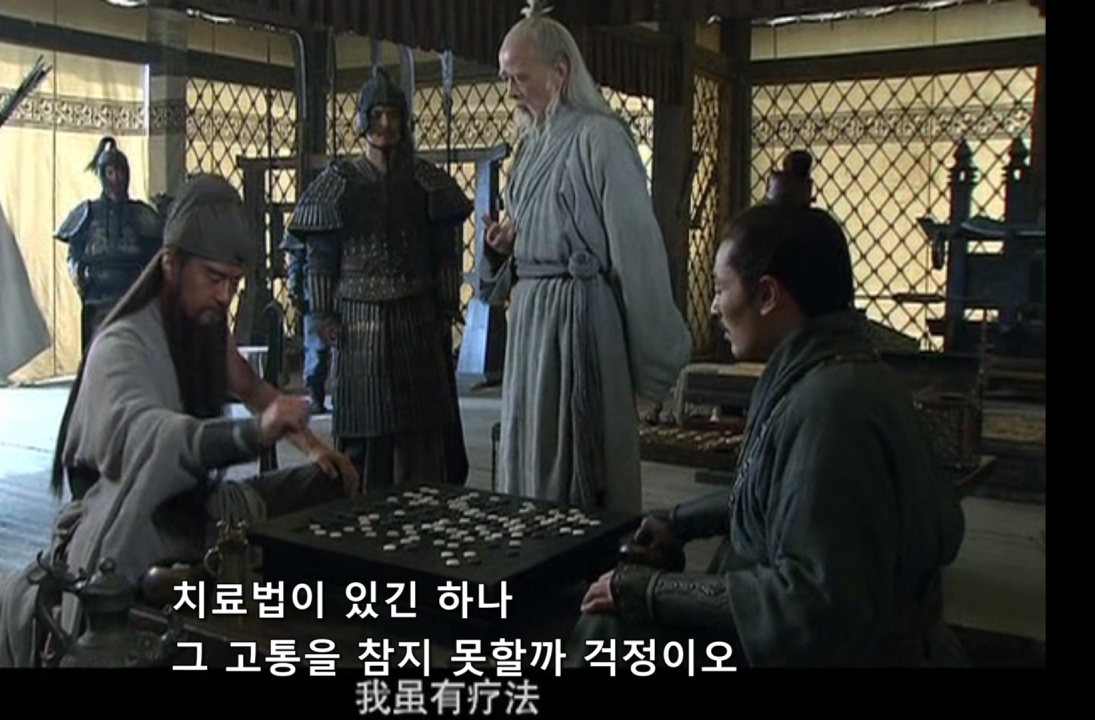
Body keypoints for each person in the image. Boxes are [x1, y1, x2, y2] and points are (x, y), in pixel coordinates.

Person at [566, 203, 968, 667]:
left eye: (721, 289)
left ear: (767, 295)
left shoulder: (832, 410)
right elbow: (774, 496)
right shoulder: (831, 374)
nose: (714, 307)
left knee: (608, 632)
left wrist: (652, 591)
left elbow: (814, 605)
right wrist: (679, 520)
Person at [0, 174, 358, 668]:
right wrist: (251, 433)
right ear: (171, 264)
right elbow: (155, 439)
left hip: (198, 509)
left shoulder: (204, 324)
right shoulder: (122, 345)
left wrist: (316, 449)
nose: (225, 296)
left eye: (234, 283)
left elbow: (254, 390)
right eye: (214, 278)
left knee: (330, 484)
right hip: (128, 523)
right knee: (164, 586)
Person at [477, 3, 692, 513]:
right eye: (505, 79)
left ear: (559, 71)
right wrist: (504, 248)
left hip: (579, 324)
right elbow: (530, 236)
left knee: (578, 460)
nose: (511, 91)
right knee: (531, 453)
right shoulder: (531, 146)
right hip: (532, 323)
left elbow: (635, 250)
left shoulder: (601, 139)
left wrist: (657, 361)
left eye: (520, 77)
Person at [286, 67, 474, 491]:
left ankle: (424, 504)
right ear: (362, 119)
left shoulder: (426, 183)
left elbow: (445, 250)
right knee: (364, 429)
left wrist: (446, 306)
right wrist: (324, 315)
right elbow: (320, 258)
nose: (386, 124)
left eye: (393, 114)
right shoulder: (336, 185)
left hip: (417, 316)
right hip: (357, 321)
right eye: (377, 115)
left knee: (421, 429)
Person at [54, 136, 164, 352]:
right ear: (103, 175)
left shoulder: (141, 215)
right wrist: (82, 281)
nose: (116, 179)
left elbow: (155, 256)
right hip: (97, 294)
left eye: (120, 172)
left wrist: (146, 289)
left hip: (132, 292)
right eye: (111, 173)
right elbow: (75, 255)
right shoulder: (87, 213)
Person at [281, 232, 332, 414]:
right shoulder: (306, 220)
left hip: (338, 289)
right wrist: (295, 288)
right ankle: (316, 394)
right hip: (314, 291)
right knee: (316, 347)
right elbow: (296, 258)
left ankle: (329, 394)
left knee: (325, 347)